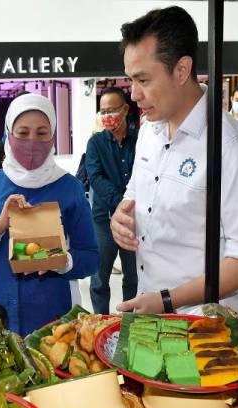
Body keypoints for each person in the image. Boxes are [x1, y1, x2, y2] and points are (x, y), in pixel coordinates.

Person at [111, 6, 238, 316]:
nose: (133, 94)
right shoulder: (148, 131)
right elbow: (133, 194)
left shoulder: (232, 149)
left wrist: (167, 300)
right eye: (130, 79)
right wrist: (121, 215)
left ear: (182, 70)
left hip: (202, 328)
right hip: (149, 311)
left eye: (143, 80)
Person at [0, 93, 99, 336]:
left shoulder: (69, 188)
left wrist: (60, 260)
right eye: (23, 133)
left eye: (42, 133)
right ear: (8, 134)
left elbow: (91, 258)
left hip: (54, 322)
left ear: (52, 135)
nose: (32, 141)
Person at [86, 87, 138, 314]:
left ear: (125, 109)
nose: (107, 116)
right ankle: (100, 322)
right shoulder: (96, 143)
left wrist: (129, 206)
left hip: (134, 221)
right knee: (99, 278)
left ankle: (129, 323)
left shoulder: (140, 139)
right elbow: (95, 177)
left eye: (112, 110)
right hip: (103, 221)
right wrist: (122, 202)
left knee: (133, 277)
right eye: (103, 111)